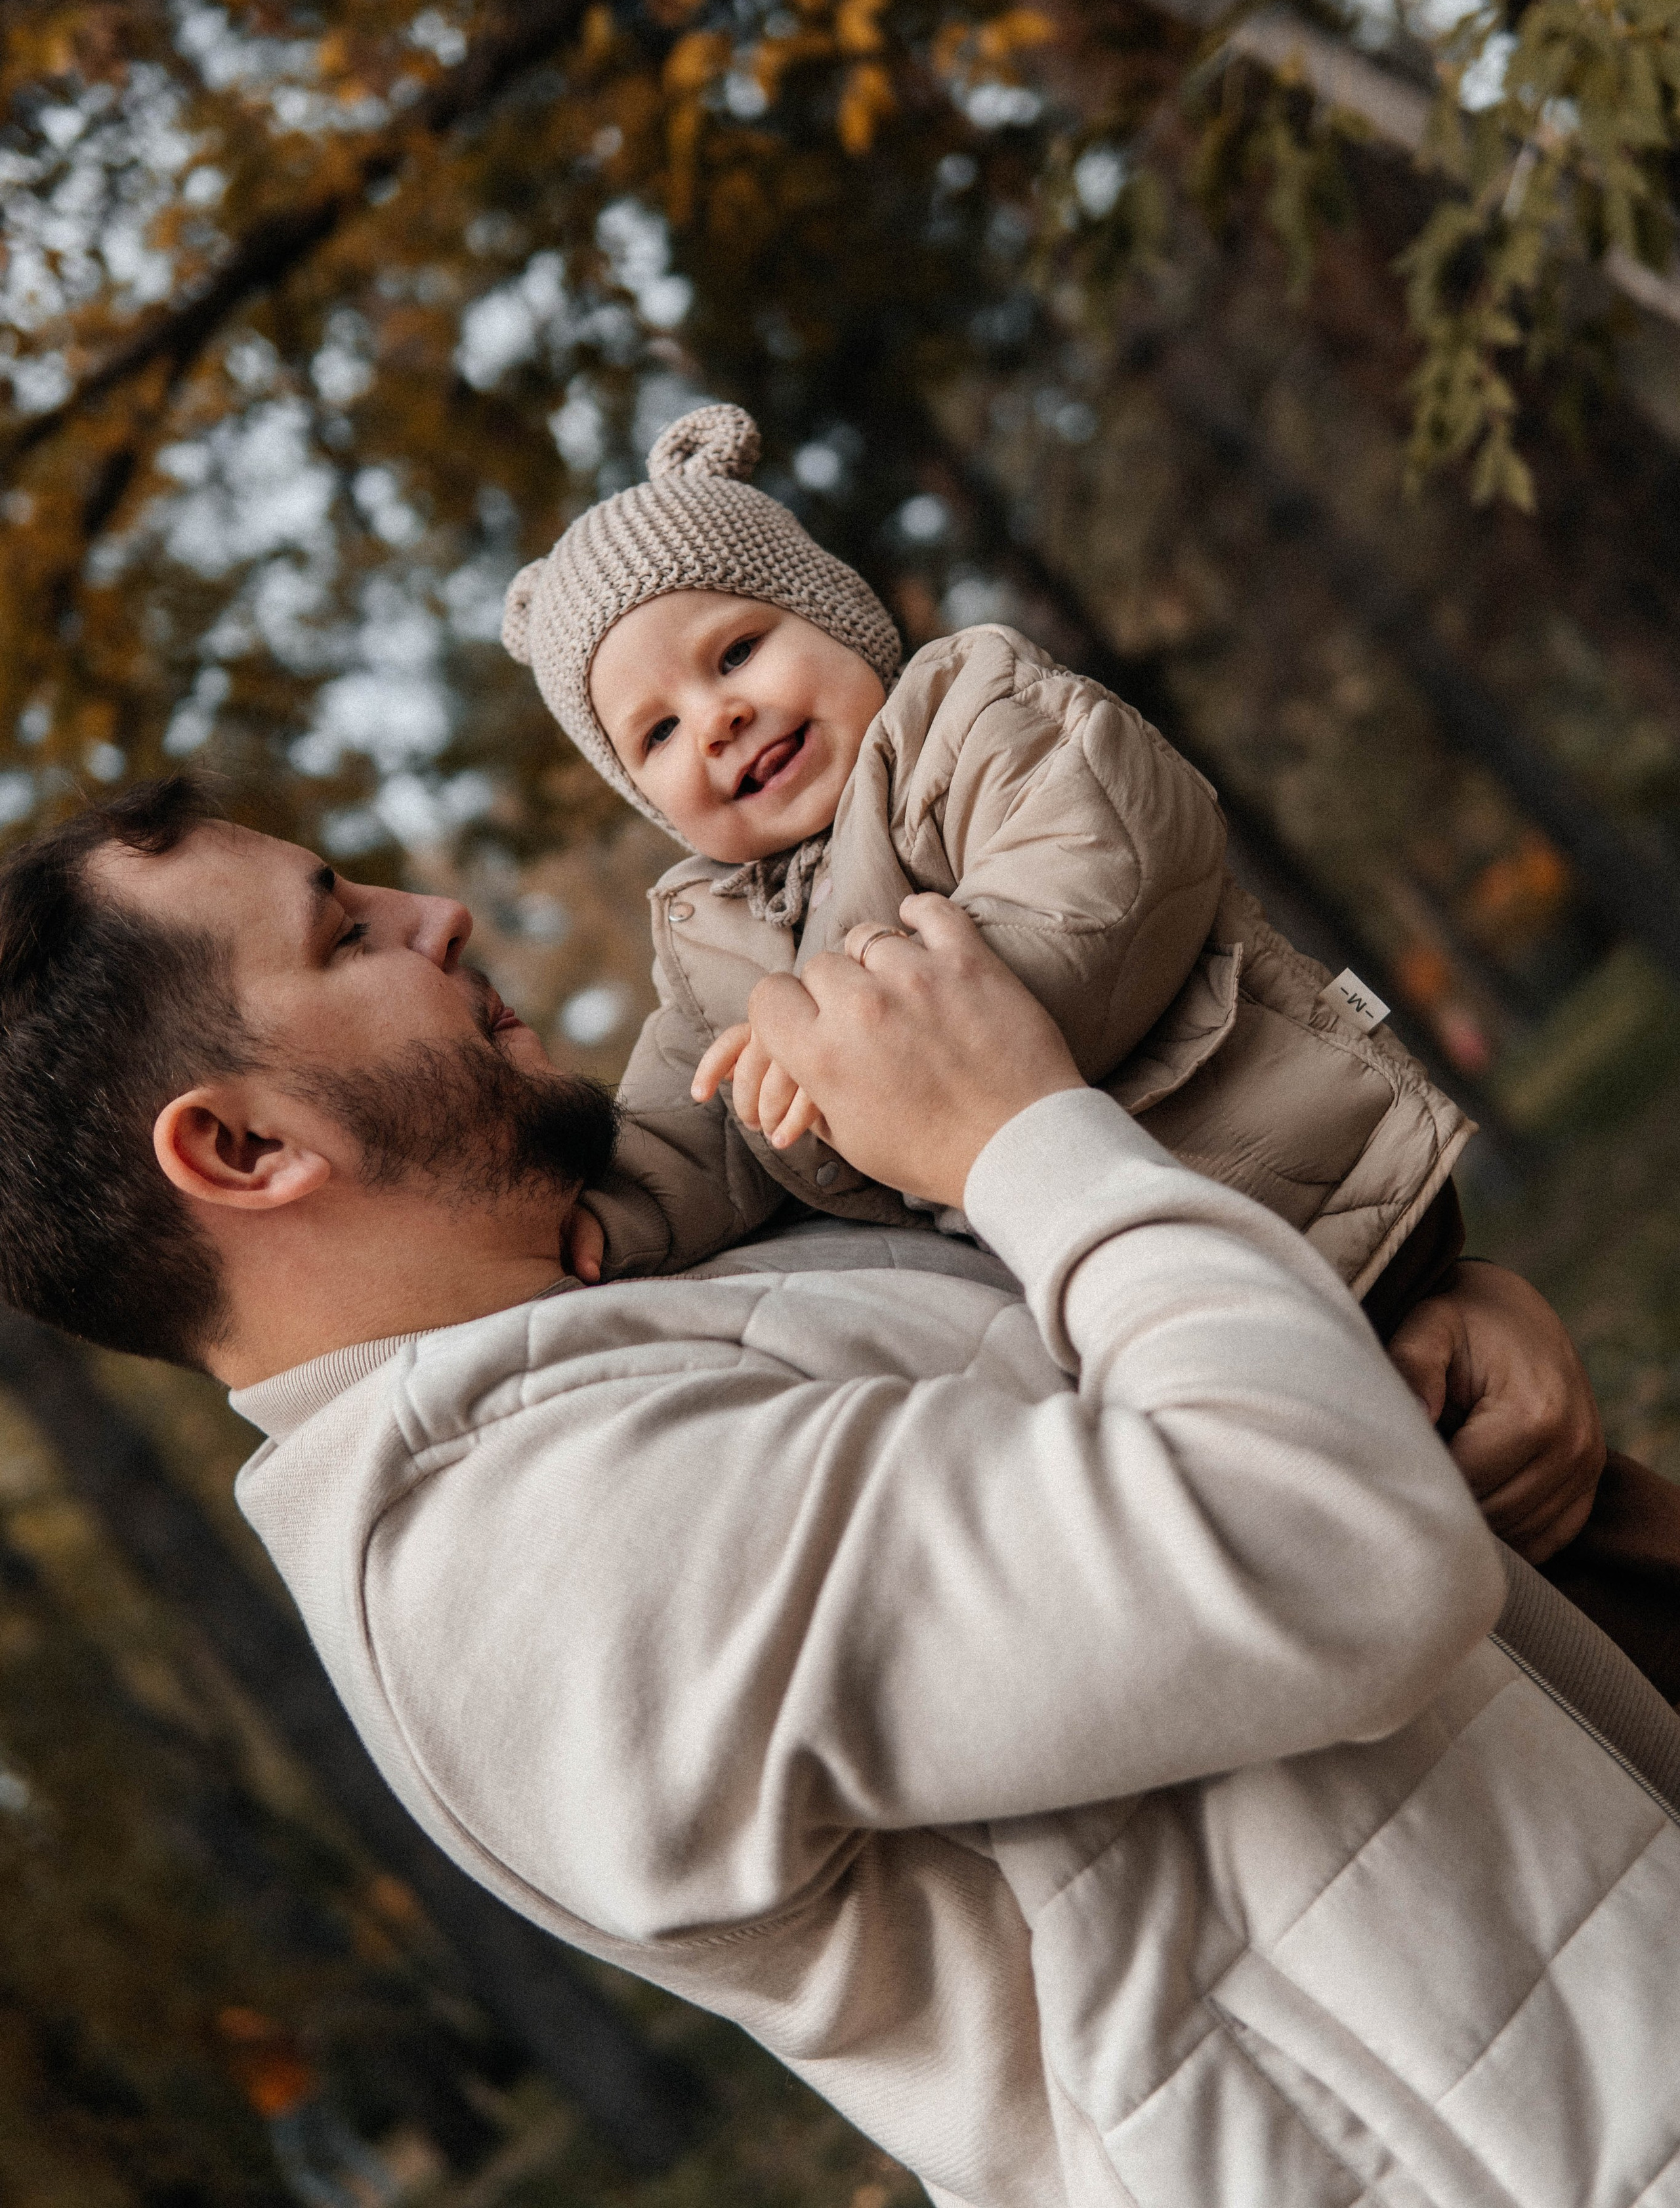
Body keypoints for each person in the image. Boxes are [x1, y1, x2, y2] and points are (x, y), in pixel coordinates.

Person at [0, 779, 1676, 2208]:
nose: (437, 914)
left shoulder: (643, 1308)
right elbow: (1321, 1556)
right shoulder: (527, 1557)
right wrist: (1018, 1129)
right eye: (344, 933)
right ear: (241, 1150)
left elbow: (1203, 1404)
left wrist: (1429, 1329)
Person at [503, 402, 1614, 1570]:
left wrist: (863, 1039)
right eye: (657, 734)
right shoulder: (710, 942)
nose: (718, 719)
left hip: (1301, 1194)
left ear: (832, 612)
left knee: (1553, 1531)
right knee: (1405, 1559)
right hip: (1132, 1316)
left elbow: (1099, 887)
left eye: (736, 653)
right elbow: (691, 1127)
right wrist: (600, 1222)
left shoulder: (971, 713)